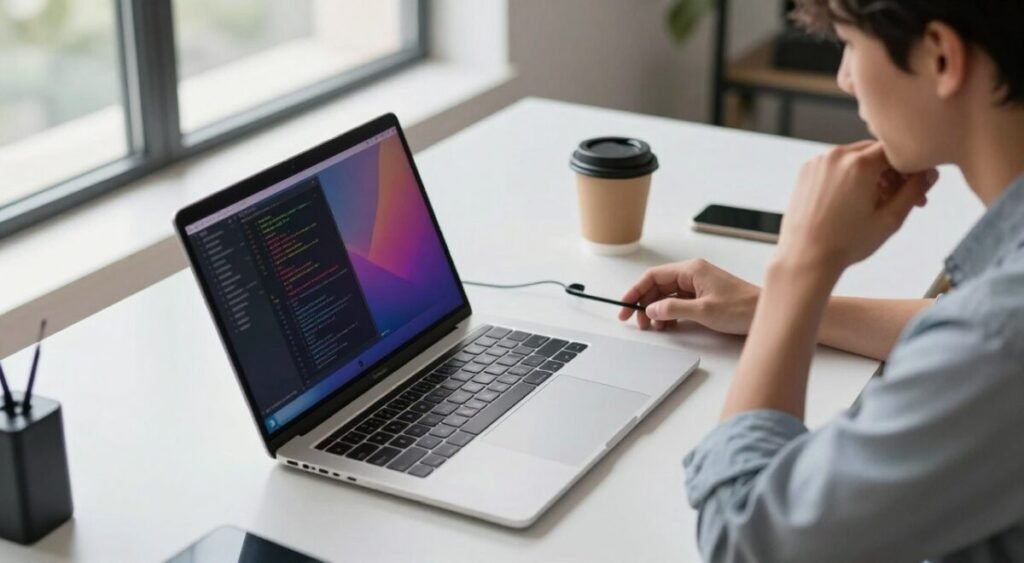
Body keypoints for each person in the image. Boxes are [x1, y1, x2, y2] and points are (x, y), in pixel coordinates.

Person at [618, 1, 1024, 561]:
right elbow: (974, 326)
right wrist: (767, 308)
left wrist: (800, 268)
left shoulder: (1001, 336)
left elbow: (745, 539)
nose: (844, 78)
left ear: (940, 56)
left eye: (851, 46)